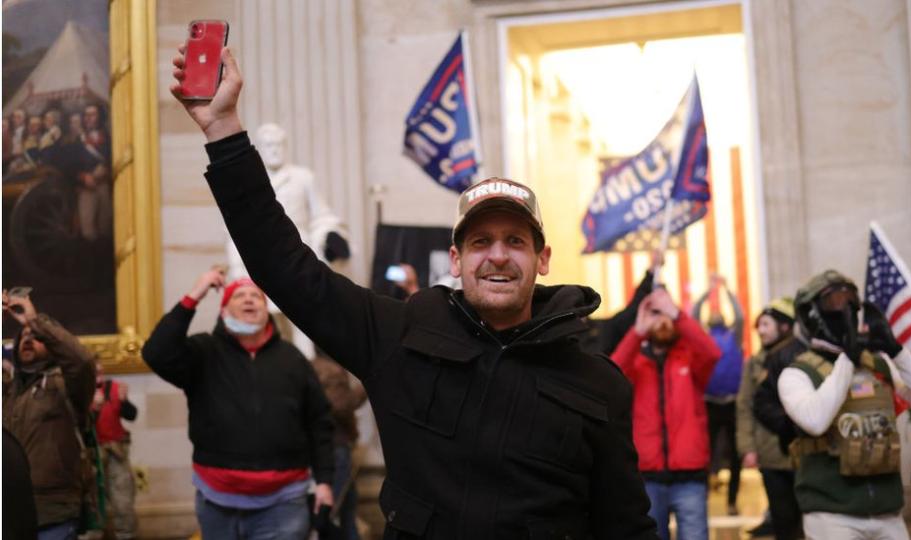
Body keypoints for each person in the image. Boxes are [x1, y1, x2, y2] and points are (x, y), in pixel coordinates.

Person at [170, 46, 658, 539]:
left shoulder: (597, 382)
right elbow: (283, 266)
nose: (498, 256)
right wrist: (223, 129)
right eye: (480, 242)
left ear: (543, 259)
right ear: (456, 260)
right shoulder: (398, 336)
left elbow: (626, 525)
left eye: (516, 241)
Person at [141, 269, 335, 539]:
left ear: (266, 310)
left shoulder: (292, 359)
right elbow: (155, 353)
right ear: (224, 311)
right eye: (239, 295)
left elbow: (319, 422)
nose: (248, 300)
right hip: (217, 501)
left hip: (283, 503)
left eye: (255, 296)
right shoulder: (204, 352)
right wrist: (194, 295)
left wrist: (325, 481)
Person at [778, 270, 911, 539]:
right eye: (835, 302)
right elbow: (816, 420)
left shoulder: (878, 365)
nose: (846, 311)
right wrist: (848, 357)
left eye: (851, 302)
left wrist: (896, 351)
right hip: (832, 516)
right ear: (811, 315)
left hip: (888, 514)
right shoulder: (797, 375)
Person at [226, 122, 351, 357]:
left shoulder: (303, 177)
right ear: (261, 148)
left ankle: (308, 372)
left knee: (303, 322)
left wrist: (329, 236)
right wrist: (237, 270)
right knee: (265, 326)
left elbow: (321, 216)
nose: (274, 150)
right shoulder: (252, 179)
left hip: (297, 254)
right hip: (261, 259)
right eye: (269, 145)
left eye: (278, 145)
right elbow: (235, 230)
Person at [611, 287, 721, 540]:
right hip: (647, 478)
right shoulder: (636, 364)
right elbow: (612, 374)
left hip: (690, 476)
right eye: (656, 314)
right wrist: (637, 331)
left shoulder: (690, 360)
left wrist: (678, 314)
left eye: (667, 315)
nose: (663, 321)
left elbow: (712, 353)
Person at [1, 290, 97, 539]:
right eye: (23, 337)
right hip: (10, 512)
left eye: (36, 338)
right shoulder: (8, 390)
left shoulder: (66, 386)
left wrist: (34, 322)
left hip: (52, 514)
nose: (28, 340)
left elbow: (82, 362)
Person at [736, 298, 802, 540]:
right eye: (758, 326)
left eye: (766, 324)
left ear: (784, 326)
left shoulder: (802, 358)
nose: (760, 331)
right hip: (770, 456)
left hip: (803, 455)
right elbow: (744, 407)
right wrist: (747, 448)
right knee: (782, 520)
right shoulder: (754, 363)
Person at [693, 275, 744, 514]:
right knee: (706, 452)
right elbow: (693, 315)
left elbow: (741, 316)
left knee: (735, 454)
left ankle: (732, 501)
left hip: (733, 404)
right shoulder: (702, 338)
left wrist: (726, 289)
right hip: (709, 403)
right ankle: (701, 495)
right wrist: (707, 292)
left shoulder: (734, 336)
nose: (716, 314)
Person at [312, 353, 368, 540]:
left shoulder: (311, 365)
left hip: (325, 446)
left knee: (347, 507)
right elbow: (341, 405)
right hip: (336, 446)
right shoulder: (332, 371)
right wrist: (367, 385)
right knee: (335, 509)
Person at [91, 363, 139, 539]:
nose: (99, 375)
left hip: (115, 453)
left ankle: (127, 535)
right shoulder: (77, 391)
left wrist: (125, 401)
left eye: (100, 371)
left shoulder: (114, 388)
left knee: (123, 502)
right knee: (92, 505)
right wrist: (93, 407)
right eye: (94, 372)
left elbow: (132, 415)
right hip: (90, 456)